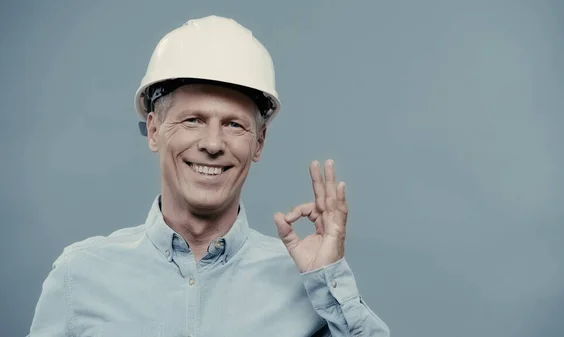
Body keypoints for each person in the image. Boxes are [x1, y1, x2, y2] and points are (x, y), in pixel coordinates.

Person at [27, 15, 390, 337]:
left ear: (258, 142)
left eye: (234, 125)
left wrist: (328, 279)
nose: (213, 143)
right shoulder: (81, 276)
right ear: (154, 130)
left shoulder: (309, 283)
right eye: (193, 120)